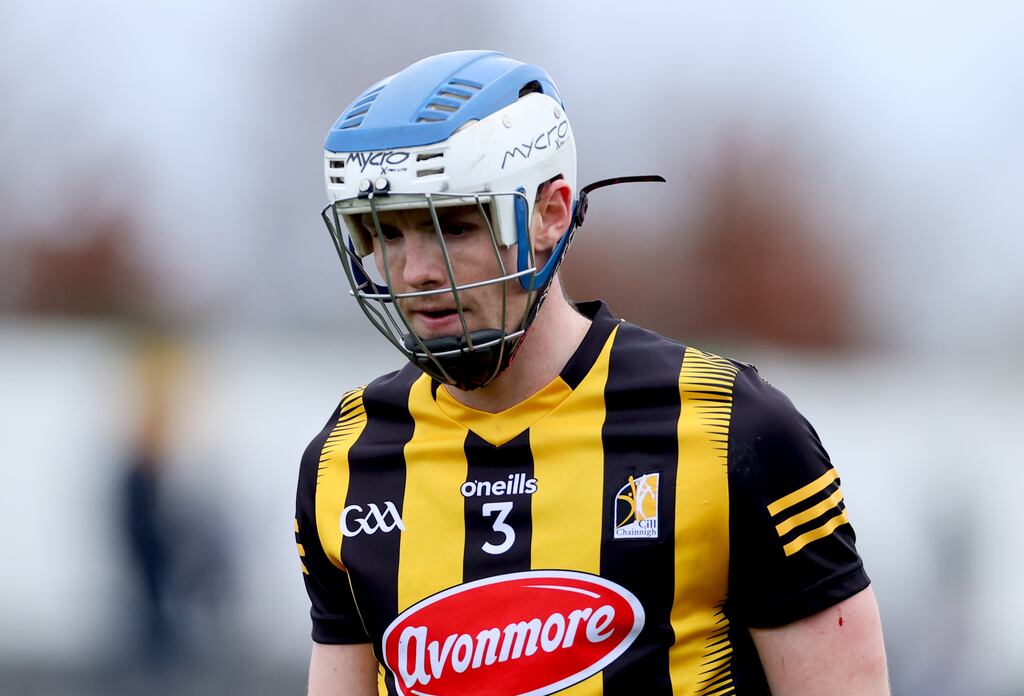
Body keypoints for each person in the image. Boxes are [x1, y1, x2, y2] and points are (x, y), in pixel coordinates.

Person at [295, 50, 889, 695]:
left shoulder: (731, 428)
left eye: (454, 226)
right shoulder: (344, 459)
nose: (415, 272)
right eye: (385, 233)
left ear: (551, 212)